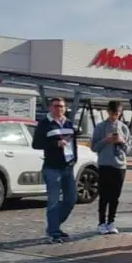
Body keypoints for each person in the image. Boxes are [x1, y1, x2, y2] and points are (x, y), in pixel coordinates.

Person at [31, 97, 79, 243]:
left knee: (71, 199)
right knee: (53, 201)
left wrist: (74, 158)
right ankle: (53, 232)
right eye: (56, 106)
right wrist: (55, 143)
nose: (59, 109)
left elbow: (73, 142)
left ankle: (55, 226)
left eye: (62, 106)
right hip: (52, 167)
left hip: (67, 166)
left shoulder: (69, 123)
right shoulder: (45, 124)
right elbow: (36, 144)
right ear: (50, 108)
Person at [90, 100, 130, 235]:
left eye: (117, 113)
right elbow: (94, 147)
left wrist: (122, 141)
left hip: (120, 165)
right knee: (104, 195)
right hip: (105, 164)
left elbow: (128, 149)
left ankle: (111, 221)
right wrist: (106, 140)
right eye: (112, 113)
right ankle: (101, 222)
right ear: (108, 112)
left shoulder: (123, 127)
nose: (115, 116)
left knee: (115, 196)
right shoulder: (100, 127)